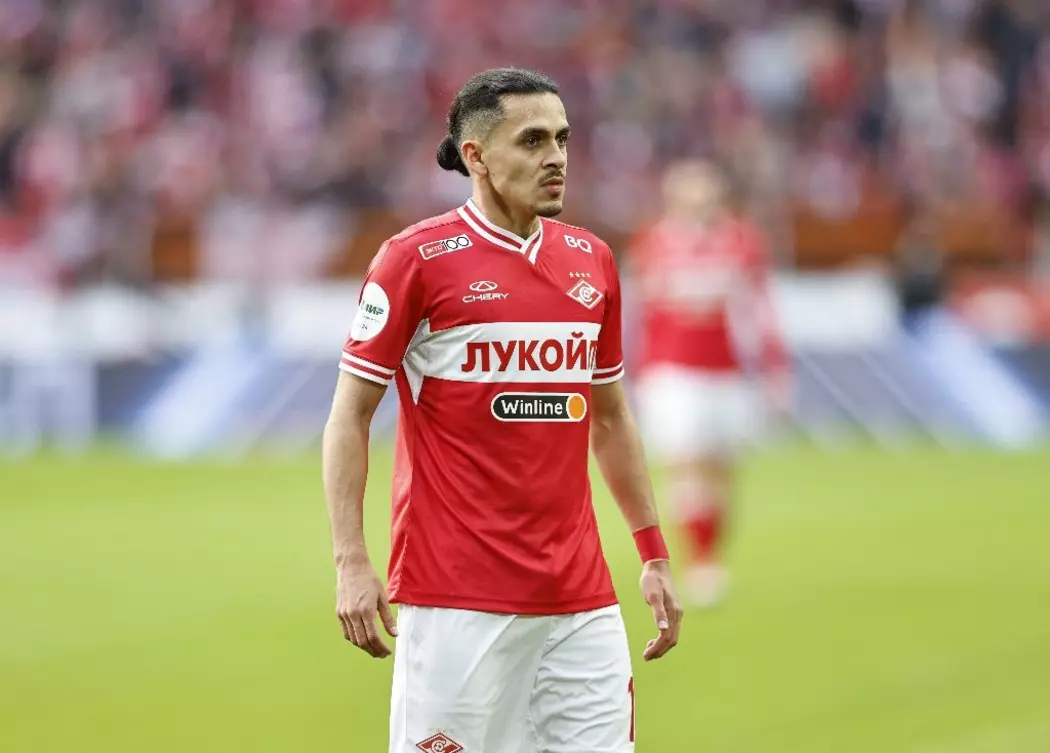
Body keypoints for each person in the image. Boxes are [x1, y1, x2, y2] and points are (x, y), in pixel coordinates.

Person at [322, 68, 682, 753]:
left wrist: (653, 553)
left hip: (581, 601)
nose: (557, 157)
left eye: (563, 139)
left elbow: (609, 418)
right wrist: (350, 560)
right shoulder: (414, 260)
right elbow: (349, 416)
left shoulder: (592, 261)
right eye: (533, 140)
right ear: (477, 156)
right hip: (455, 598)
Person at [631, 160, 790, 608]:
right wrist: (630, 371)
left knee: (721, 465)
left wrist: (775, 367)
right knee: (686, 459)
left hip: (726, 369)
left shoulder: (742, 241)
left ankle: (712, 554)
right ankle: (697, 558)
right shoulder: (655, 241)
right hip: (671, 370)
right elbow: (640, 312)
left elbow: (762, 308)